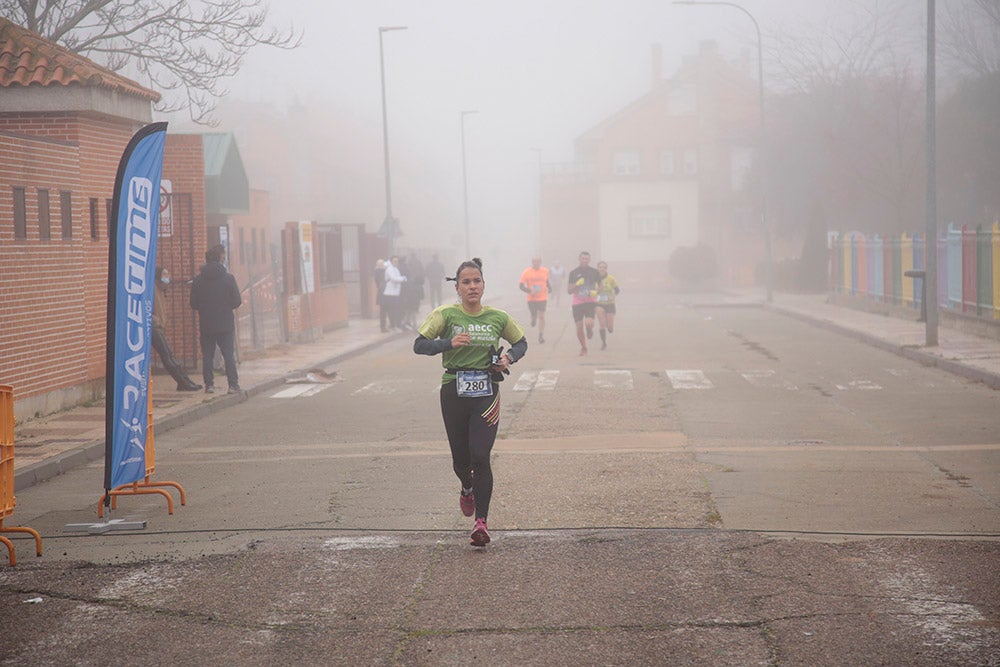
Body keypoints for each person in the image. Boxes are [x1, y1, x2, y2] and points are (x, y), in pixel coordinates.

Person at [413, 258, 527, 547]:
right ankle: (466, 487)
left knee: (480, 456)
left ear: (484, 285)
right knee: (461, 460)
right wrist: (447, 343)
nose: (472, 286)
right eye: (466, 282)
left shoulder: (497, 317)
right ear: (458, 287)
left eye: (477, 281)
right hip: (454, 390)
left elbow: (521, 343)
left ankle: (482, 523)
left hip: (486, 392)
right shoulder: (445, 315)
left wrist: (507, 358)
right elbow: (419, 345)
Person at [190, 244, 242, 394]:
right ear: (220, 259)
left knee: (207, 355)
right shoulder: (228, 278)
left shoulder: (198, 280)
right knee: (228, 355)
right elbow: (237, 301)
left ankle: (209, 385)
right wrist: (225, 306)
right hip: (225, 323)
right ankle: (233, 385)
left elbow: (193, 304)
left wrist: (206, 308)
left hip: (206, 323)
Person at [152, 267, 201, 391]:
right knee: (167, 356)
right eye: (164, 274)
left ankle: (184, 381)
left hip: (159, 327)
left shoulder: (161, 290)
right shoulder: (152, 289)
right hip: (154, 327)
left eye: (168, 274)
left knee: (169, 355)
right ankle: (183, 382)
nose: (167, 277)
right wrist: (156, 321)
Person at [567, 250, 601, 356]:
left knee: (589, 323)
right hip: (577, 303)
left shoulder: (595, 272)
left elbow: (601, 287)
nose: (585, 260)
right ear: (579, 259)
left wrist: (596, 292)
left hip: (590, 302)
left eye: (587, 259)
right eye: (583, 258)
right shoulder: (573, 273)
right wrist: (577, 284)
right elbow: (569, 290)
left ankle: (590, 330)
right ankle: (584, 347)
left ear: (589, 260)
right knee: (579, 327)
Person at [519, 255, 550, 344]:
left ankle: (541, 335)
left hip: (542, 297)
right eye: (534, 261)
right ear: (532, 262)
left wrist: (550, 288)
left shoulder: (545, 271)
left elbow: (546, 281)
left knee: (542, 316)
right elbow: (521, 286)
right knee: (534, 315)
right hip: (531, 298)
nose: (536, 263)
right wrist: (529, 290)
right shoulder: (526, 272)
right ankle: (533, 318)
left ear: (540, 262)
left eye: (538, 261)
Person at [595, 261, 620, 351]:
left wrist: (613, 294)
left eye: (604, 267)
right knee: (602, 325)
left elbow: (617, 290)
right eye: (600, 267)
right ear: (597, 268)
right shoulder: (594, 279)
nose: (602, 269)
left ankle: (610, 328)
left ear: (606, 269)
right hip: (599, 304)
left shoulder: (611, 279)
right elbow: (590, 291)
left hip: (610, 304)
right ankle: (604, 343)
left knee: (610, 328)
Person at [382, 255, 407, 330]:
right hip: (389, 293)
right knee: (391, 311)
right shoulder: (389, 269)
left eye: (397, 261)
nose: (396, 262)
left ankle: (394, 325)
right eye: (394, 261)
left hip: (396, 293)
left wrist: (401, 278)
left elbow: (397, 278)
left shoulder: (396, 269)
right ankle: (392, 325)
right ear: (391, 261)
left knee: (395, 310)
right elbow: (394, 279)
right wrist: (403, 278)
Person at [374, 258, 388, 332]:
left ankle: (383, 326)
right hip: (384, 294)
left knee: (383, 311)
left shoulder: (376, 271)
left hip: (381, 293)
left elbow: (377, 283)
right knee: (383, 311)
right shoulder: (382, 272)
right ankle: (383, 327)